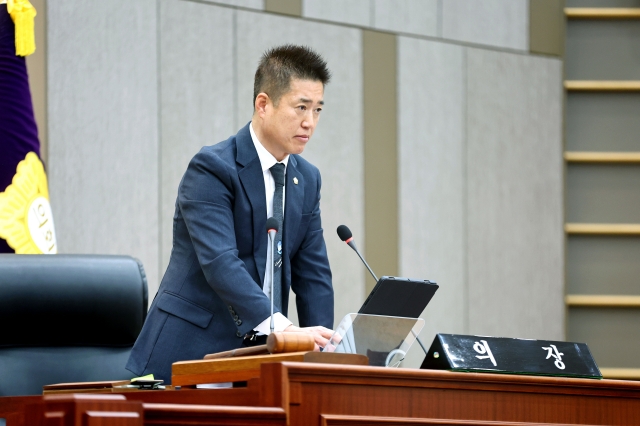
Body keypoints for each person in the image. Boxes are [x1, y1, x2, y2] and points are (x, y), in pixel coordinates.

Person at [126, 45, 335, 383]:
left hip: (257, 362)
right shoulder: (212, 168)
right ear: (263, 104)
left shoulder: (307, 179)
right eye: (301, 107)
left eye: (317, 109)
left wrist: (322, 354)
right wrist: (284, 330)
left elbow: (314, 277)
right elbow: (220, 262)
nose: (309, 122)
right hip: (188, 355)